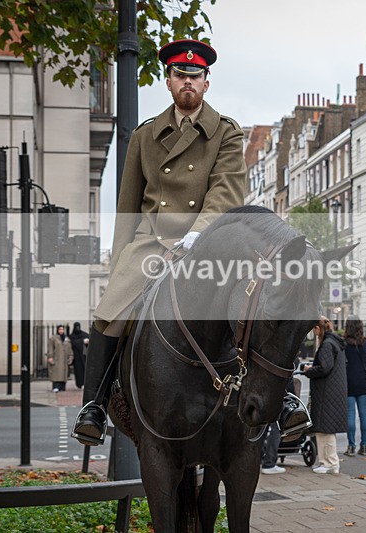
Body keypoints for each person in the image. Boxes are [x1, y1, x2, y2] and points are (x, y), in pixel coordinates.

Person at [72, 39, 247, 446]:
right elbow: (128, 208)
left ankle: (285, 400)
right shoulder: (145, 136)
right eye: (180, 75)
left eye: (196, 76)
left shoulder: (226, 133)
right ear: (168, 81)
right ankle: (93, 406)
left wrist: (194, 237)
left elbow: (225, 193)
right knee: (110, 311)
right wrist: (119, 267)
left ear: (207, 84)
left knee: (256, 303)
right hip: (152, 244)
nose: (188, 82)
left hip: (210, 241)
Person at [302, 316, 347, 474]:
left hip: (326, 393)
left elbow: (324, 368)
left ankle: (329, 463)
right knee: (325, 430)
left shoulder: (327, 344)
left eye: (313, 330)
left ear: (317, 328)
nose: (313, 334)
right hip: (332, 392)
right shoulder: (334, 342)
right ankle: (327, 462)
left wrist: (308, 371)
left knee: (324, 430)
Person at [343, 316, 366, 457]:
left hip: (348, 382)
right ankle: (364, 445)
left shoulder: (343, 344)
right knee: (363, 414)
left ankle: (351, 446)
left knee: (350, 414)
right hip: (364, 382)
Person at [46, 325, 71, 392]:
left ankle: (62, 387)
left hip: (64, 359)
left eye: (62, 329)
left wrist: (70, 356)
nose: (61, 331)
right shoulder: (53, 338)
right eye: (60, 329)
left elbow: (69, 349)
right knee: (56, 373)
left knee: (63, 373)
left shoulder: (66, 339)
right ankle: (56, 386)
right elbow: (50, 348)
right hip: (57, 358)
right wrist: (50, 356)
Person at [69, 322, 89, 389]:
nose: (77, 328)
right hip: (76, 356)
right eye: (76, 326)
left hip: (83, 356)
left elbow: (89, 339)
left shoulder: (84, 334)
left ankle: (84, 383)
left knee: (84, 369)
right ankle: (79, 384)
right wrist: (82, 341)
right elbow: (73, 342)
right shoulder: (72, 336)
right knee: (78, 370)